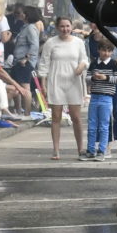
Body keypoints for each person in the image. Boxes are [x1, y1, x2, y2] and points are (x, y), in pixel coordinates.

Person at [39, 15, 89, 160]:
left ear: (72, 27)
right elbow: (44, 63)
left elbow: (85, 60)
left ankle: (80, 148)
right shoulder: (50, 43)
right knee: (56, 117)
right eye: (62, 26)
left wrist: (81, 66)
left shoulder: (79, 42)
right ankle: (56, 150)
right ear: (57, 28)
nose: (65, 29)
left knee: (76, 117)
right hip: (56, 81)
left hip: (73, 81)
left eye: (68, 26)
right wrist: (43, 83)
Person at [85, 26, 117, 161]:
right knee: (101, 116)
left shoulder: (112, 35)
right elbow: (89, 59)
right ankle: (106, 145)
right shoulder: (88, 41)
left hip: (114, 73)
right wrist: (92, 78)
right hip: (98, 79)